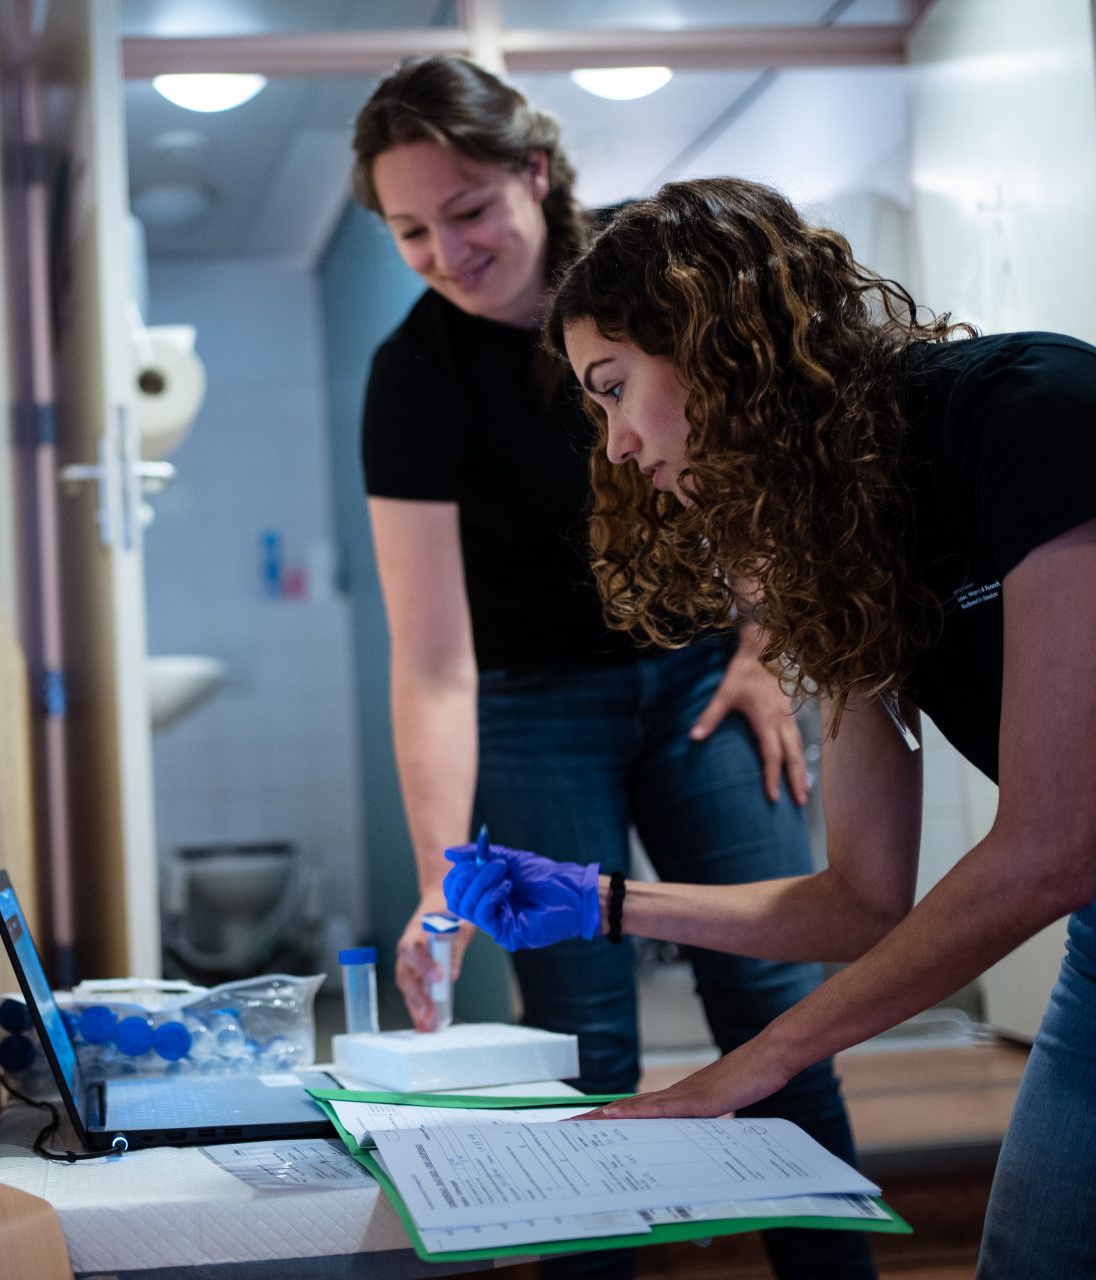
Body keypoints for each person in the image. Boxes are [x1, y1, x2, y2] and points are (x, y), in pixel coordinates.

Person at [446, 175, 1096, 1278]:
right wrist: (605, 900)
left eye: (616, 386)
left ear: (716, 339)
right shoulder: (839, 536)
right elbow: (862, 897)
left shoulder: (1035, 411)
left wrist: (744, 1069)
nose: (618, 445)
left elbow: (1040, 854)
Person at [352, 58, 876, 1279]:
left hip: (697, 679)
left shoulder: (644, 280)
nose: (446, 250)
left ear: (535, 171)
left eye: (470, 208)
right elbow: (433, 659)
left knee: (782, 1014)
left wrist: (760, 651)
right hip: (532, 705)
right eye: (411, 229)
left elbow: (760, 463)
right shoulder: (414, 377)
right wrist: (443, 883)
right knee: (581, 1041)